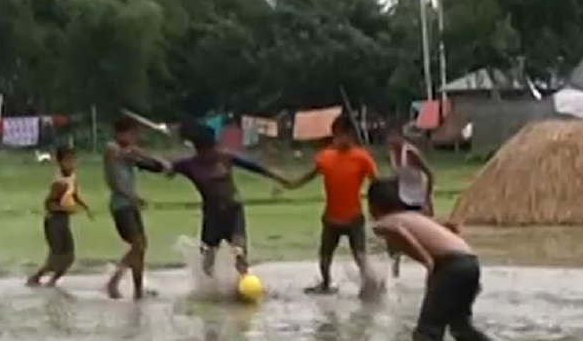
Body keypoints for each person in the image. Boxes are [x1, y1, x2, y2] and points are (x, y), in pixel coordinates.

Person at [366, 178, 537, 341]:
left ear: (374, 206)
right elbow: (451, 229)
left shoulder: (384, 224)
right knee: (463, 330)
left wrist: (428, 263)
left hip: (449, 266)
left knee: (426, 336)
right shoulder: (416, 217)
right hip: (468, 262)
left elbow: (399, 233)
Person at [166, 121, 291, 279]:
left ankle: (243, 284)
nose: (214, 150)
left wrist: (278, 178)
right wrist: (156, 163)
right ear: (199, 148)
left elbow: (254, 167)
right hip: (212, 216)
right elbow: (164, 168)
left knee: (239, 252)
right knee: (207, 261)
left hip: (233, 211)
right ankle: (209, 290)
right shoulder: (189, 165)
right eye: (210, 147)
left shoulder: (224, 157)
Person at [285, 115, 378, 295]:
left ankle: (370, 286)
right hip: (331, 218)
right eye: (335, 135)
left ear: (350, 135)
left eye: (341, 135)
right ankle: (326, 284)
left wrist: (379, 209)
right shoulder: (325, 157)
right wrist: (291, 184)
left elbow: (376, 183)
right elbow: (309, 175)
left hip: (354, 218)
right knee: (325, 256)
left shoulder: (362, 158)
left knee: (360, 255)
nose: (338, 139)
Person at [104, 116, 168, 300]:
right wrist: (159, 161)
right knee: (138, 245)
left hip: (130, 204)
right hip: (121, 205)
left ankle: (138, 290)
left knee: (140, 247)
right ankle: (114, 281)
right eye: (131, 134)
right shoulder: (112, 149)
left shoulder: (127, 150)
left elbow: (142, 160)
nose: (133, 138)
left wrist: (160, 163)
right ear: (120, 134)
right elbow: (116, 181)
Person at [27, 145, 92, 287]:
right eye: (67, 161)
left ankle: (52, 281)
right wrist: (65, 209)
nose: (71, 164)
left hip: (63, 221)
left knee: (69, 257)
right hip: (54, 221)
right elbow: (48, 204)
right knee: (57, 257)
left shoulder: (72, 177)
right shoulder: (59, 183)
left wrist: (84, 206)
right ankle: (36, 278)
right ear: (60, 163)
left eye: (72, 160)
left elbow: (73, 195)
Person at [387, 123, 436, 277]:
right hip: (402, 198)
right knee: (395, 236)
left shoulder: (411, 153)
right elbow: (397, 176)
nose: (390, 140)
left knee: (424, 237)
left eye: (394, 136)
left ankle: (432, 267)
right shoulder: (392, 154)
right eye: (389, 137)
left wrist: (427, 199)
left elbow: (430, 174)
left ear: (400, 136)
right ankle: (395, 271)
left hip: (418, 199)